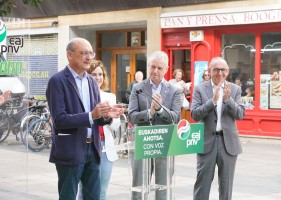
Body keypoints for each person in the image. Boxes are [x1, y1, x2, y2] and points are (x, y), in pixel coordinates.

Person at [46, 37, 123, 200]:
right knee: (68, 196)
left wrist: (107, 116)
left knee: (93, 197)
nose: (89, 57)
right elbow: (59, 120)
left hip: (93, 149)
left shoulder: (91, 82)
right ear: (69, 55)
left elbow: (96, 117)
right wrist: (91, 115)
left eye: (91, 53)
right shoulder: (57, 81)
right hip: (70, 149)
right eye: (84, 53)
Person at [127, 51, 182, 200]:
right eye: (153, 67)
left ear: (166, 69)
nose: (155, 71)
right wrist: (150, 112)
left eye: (159, 68)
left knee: (163, 188)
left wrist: (160, 110)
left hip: (164, 144)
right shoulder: (138, 88)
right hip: (142, 144)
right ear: (148, 67)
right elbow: (131, 116)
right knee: (139, 188)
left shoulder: (175, 90)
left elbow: (176, 117)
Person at [190, 57, 245, 200]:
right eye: (216, 70)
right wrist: (212, 102)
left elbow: (240, 114)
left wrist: (228, 100)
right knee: (202, 184)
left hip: (228, 144)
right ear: (209, 71)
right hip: (206, 141)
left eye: (223, 70)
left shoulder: (235, 89)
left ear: (227, 71)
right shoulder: (199, 89)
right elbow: (194, 115)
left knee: (226, 186)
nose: (220, 73)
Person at [77, 60, 121, 200]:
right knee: (83, 191)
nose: (98, 77)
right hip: (87, 145)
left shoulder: (110, 97)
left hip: (105, 147)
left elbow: (116, 126)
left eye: (100, 74)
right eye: (94, 74)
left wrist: (109, 117)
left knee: (102, 191)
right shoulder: (81, 94)